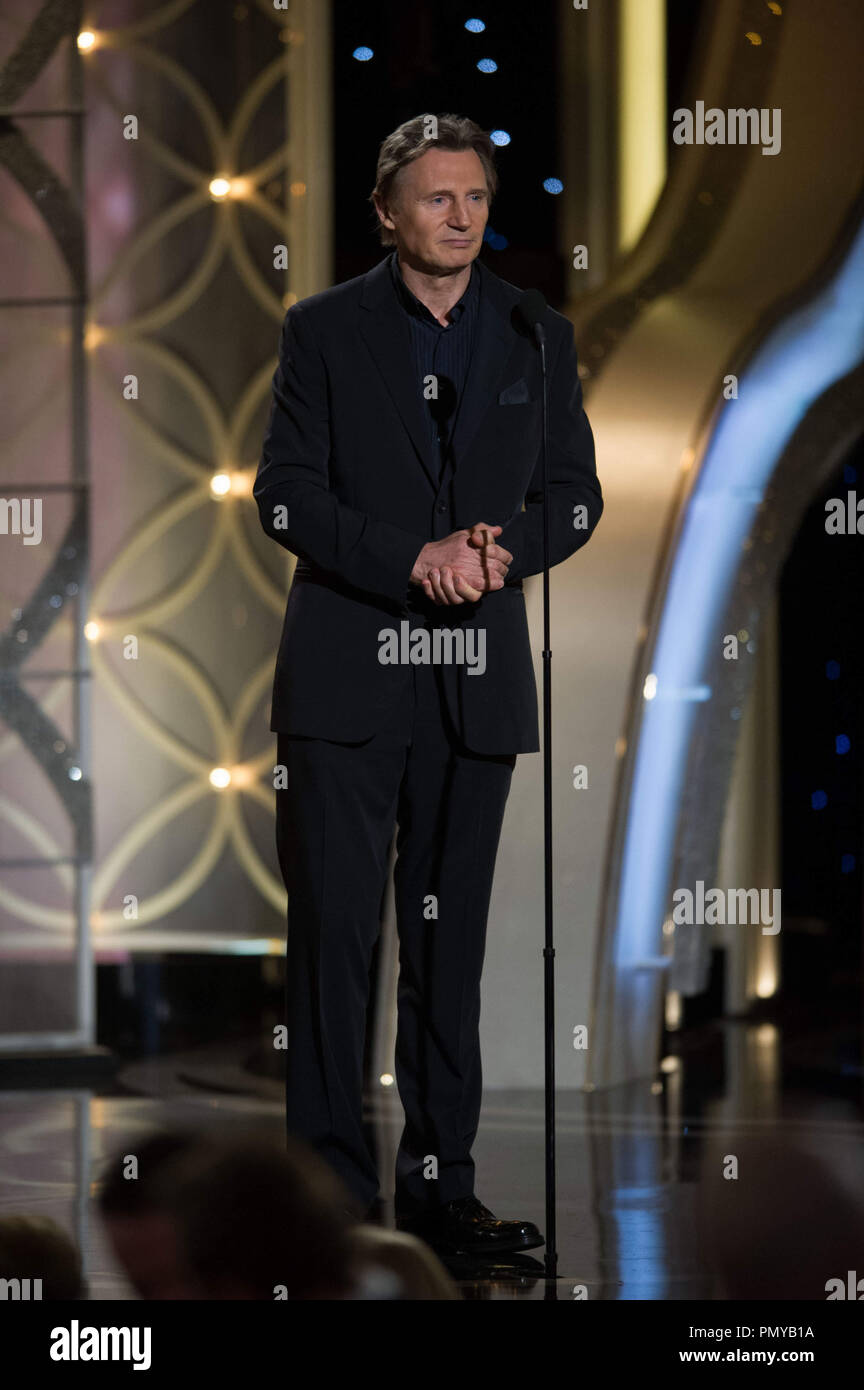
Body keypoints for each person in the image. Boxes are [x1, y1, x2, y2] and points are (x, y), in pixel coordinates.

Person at [255, 112, 603, 1255]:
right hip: (347, 682)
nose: (461, 218)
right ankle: (327, 1199)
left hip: (473, 680)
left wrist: (503, 552)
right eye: (437, 199)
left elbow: (576, 497)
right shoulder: (321, 330)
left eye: (476, 199)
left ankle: (443, 1196)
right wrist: (412, 558)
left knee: (447, 952)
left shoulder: (534, 331)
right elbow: (286, 494)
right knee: (335, 946)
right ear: (388, 212)